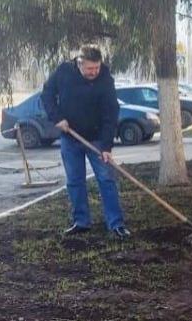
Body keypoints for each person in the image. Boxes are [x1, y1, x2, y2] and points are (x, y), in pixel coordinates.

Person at [41, 45, 130, 239]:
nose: (94, 72)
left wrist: (107, 146)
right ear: (79, 63)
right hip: (70, 138)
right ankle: (81, 222)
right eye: (90, 69)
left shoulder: (105, 77)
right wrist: (57, 118)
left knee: (107, 179)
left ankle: (116, 223)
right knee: (74, 181)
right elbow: (46, 95)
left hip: (97, 139)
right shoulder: (64, 71)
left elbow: (111, 111)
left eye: (97, 67)